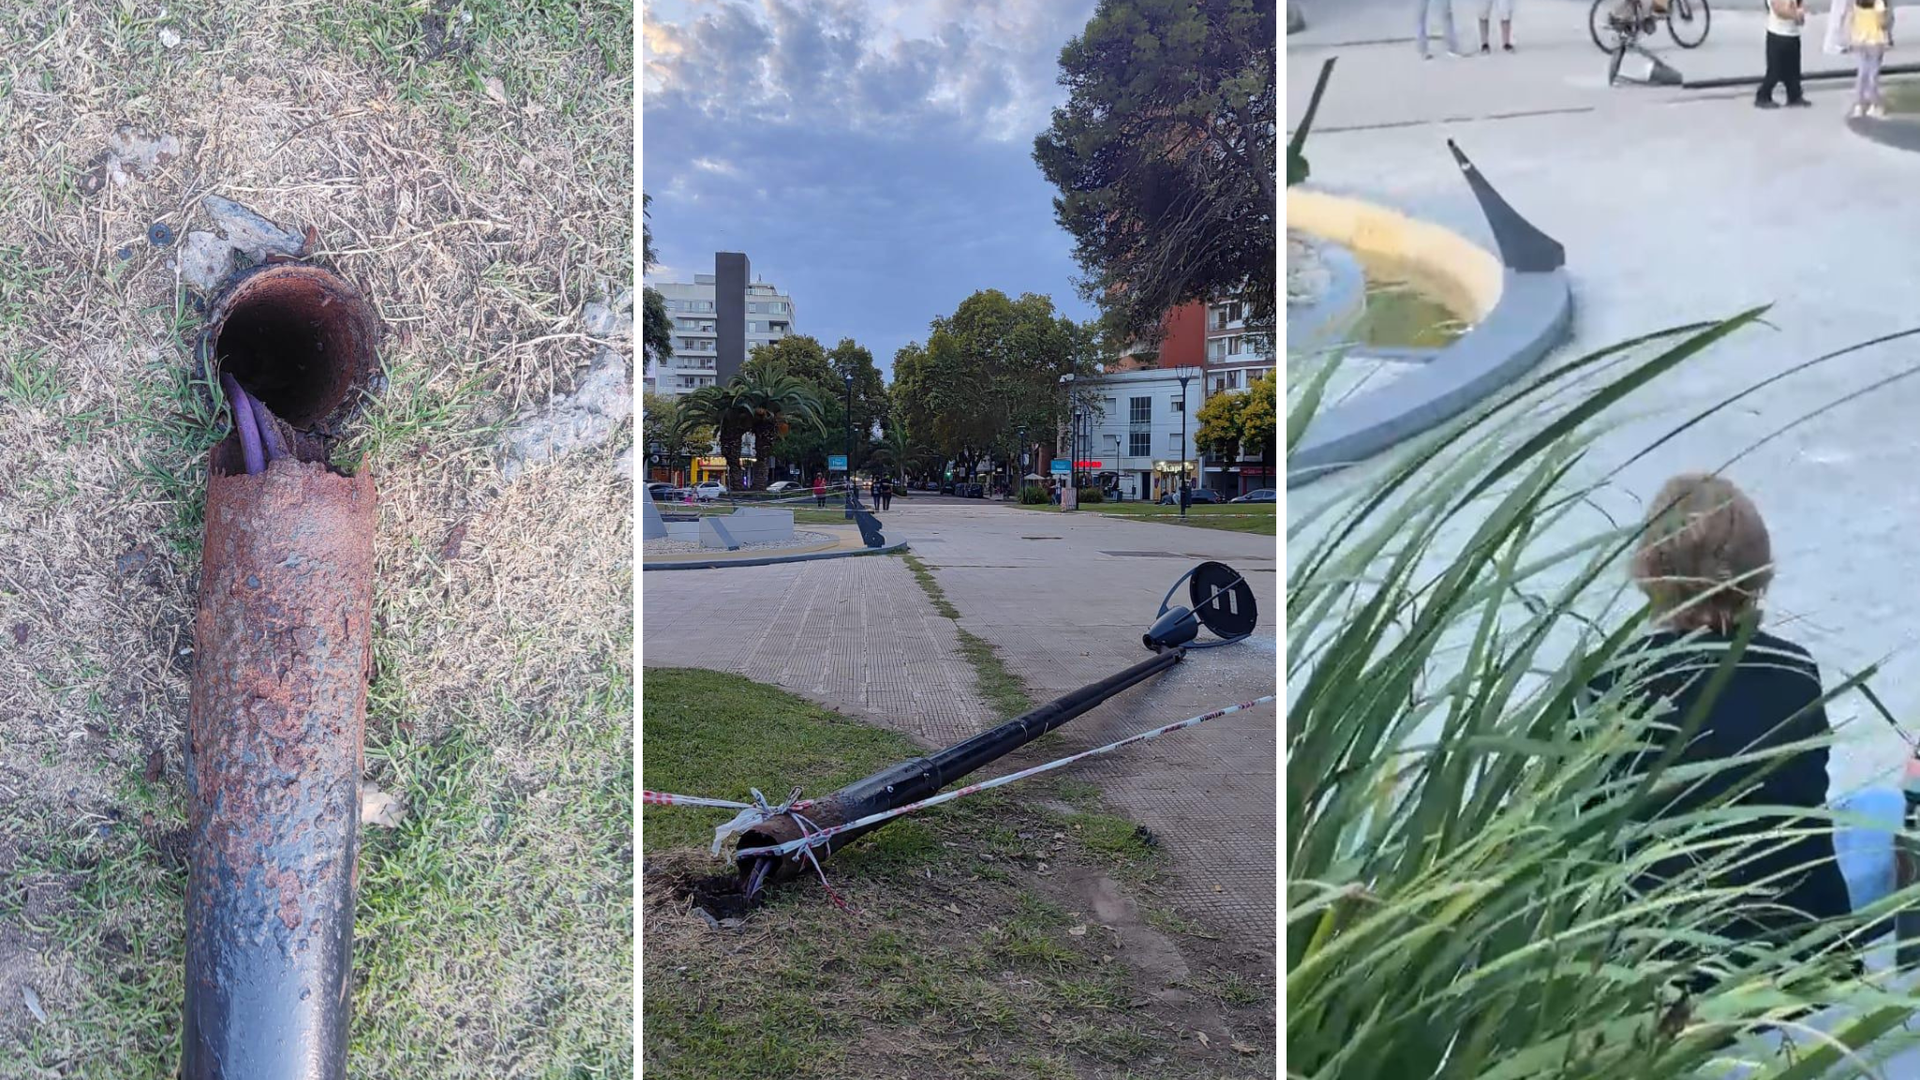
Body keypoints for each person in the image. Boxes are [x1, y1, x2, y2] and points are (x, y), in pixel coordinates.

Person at [1589, 474, 1851, 965]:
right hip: (1810, 958)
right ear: (1759, 567)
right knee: (1874, 808)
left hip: (1672, 979)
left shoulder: (1608, 688)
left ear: (1649, 569)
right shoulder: (1794, 670)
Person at [1844, 0, 1894, 118]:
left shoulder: (1856, 2)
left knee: (1862, 72)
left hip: (1859, 40)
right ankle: (1874, 104)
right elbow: (1882, 23)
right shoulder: (1878, 3)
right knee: (1873, 74)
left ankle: (1859, 104)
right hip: (1875, 41)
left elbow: (1850, 19)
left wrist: (1850, 38)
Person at [1757, 0, 1811, 109]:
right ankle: (1763, 96)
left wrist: (1800, 15)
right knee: (1774, 71)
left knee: (1794, 71)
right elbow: (1779, 10)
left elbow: (1799, 6)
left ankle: (1794, 96)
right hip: (1777, 35)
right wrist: (1795, 14)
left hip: (1793, 34)